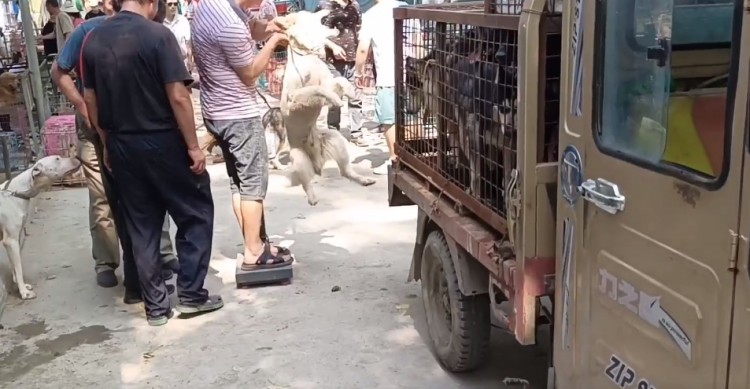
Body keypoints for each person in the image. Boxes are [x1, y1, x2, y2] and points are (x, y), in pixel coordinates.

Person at [81, 0, 222, 326]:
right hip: (162, 139)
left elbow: (90, 100)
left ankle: (156, 308)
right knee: (195, 212)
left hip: (121, 143)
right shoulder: (158, 35)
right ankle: (190, 294)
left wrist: (106, 142)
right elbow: (178, 95)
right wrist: (193, 146)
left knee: (141, 225)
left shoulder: (94, 40)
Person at [51, 0, 179, 292]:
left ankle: (161, 254)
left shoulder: (149, 30)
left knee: (147, 191)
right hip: (96, 126)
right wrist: (82, 105)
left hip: (128, 123)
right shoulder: (88, 32)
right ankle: (107, 262)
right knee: (102, 196)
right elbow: (59, 72)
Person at [191, 0, 292, 269]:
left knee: (239, 182)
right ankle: (254, 251)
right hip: (238, 114)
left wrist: (269, 27)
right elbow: (249, 73)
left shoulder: (213, 6)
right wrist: (273, 43)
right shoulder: (230, 25)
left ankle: (256, 242)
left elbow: (251, 29)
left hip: (215, 110)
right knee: (253, 184)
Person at [355, 0, 416, 175]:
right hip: (413, 75)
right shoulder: (409, 8)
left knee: (389, 119)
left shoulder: (371, 15)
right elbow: (418, 43)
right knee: (410, 117)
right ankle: (412, 156)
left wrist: (358, 73)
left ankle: (395, 158)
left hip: (388, 76)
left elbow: (362, 50)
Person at [315, 0, 365, 145]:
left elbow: (359, 30)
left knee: (356, 97)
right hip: (332, 61)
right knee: (334, 98)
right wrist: (332, 46)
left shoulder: (354, 6)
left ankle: (356, 133)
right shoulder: (324, 6)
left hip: (353, 60)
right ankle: (333, 132)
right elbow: (317, 33)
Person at [163, 0, 192, 71]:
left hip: (183, 65)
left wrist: (190, 61)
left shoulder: (183, 21)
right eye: (170, 4)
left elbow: (188, 44)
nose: (173, 6)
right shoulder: (160, 22)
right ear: (164, 5)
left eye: (175, 4)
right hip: (167, 66)